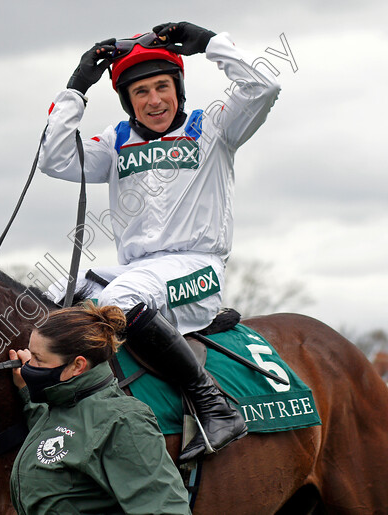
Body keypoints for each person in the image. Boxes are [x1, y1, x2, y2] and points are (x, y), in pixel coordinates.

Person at [39, 21, 281, 461]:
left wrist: (210, 43)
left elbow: (264, 86)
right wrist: (77, 87)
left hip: (198, 268)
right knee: (56, 297)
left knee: (121, 298)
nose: (154, 101)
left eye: (162, 87)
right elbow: (54, 159)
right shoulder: (115, 141)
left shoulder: (214, 128)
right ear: (128, 102)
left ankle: (215, 405)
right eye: (141, 92)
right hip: (136, 270)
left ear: (179, 89)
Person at [7, 302, 190, 514]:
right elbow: (70, 432)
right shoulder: (62, 402)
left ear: (78, 365)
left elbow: (165, 509)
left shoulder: (124, 422)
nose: (29, 366)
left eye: (38, 359)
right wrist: (28, 392)